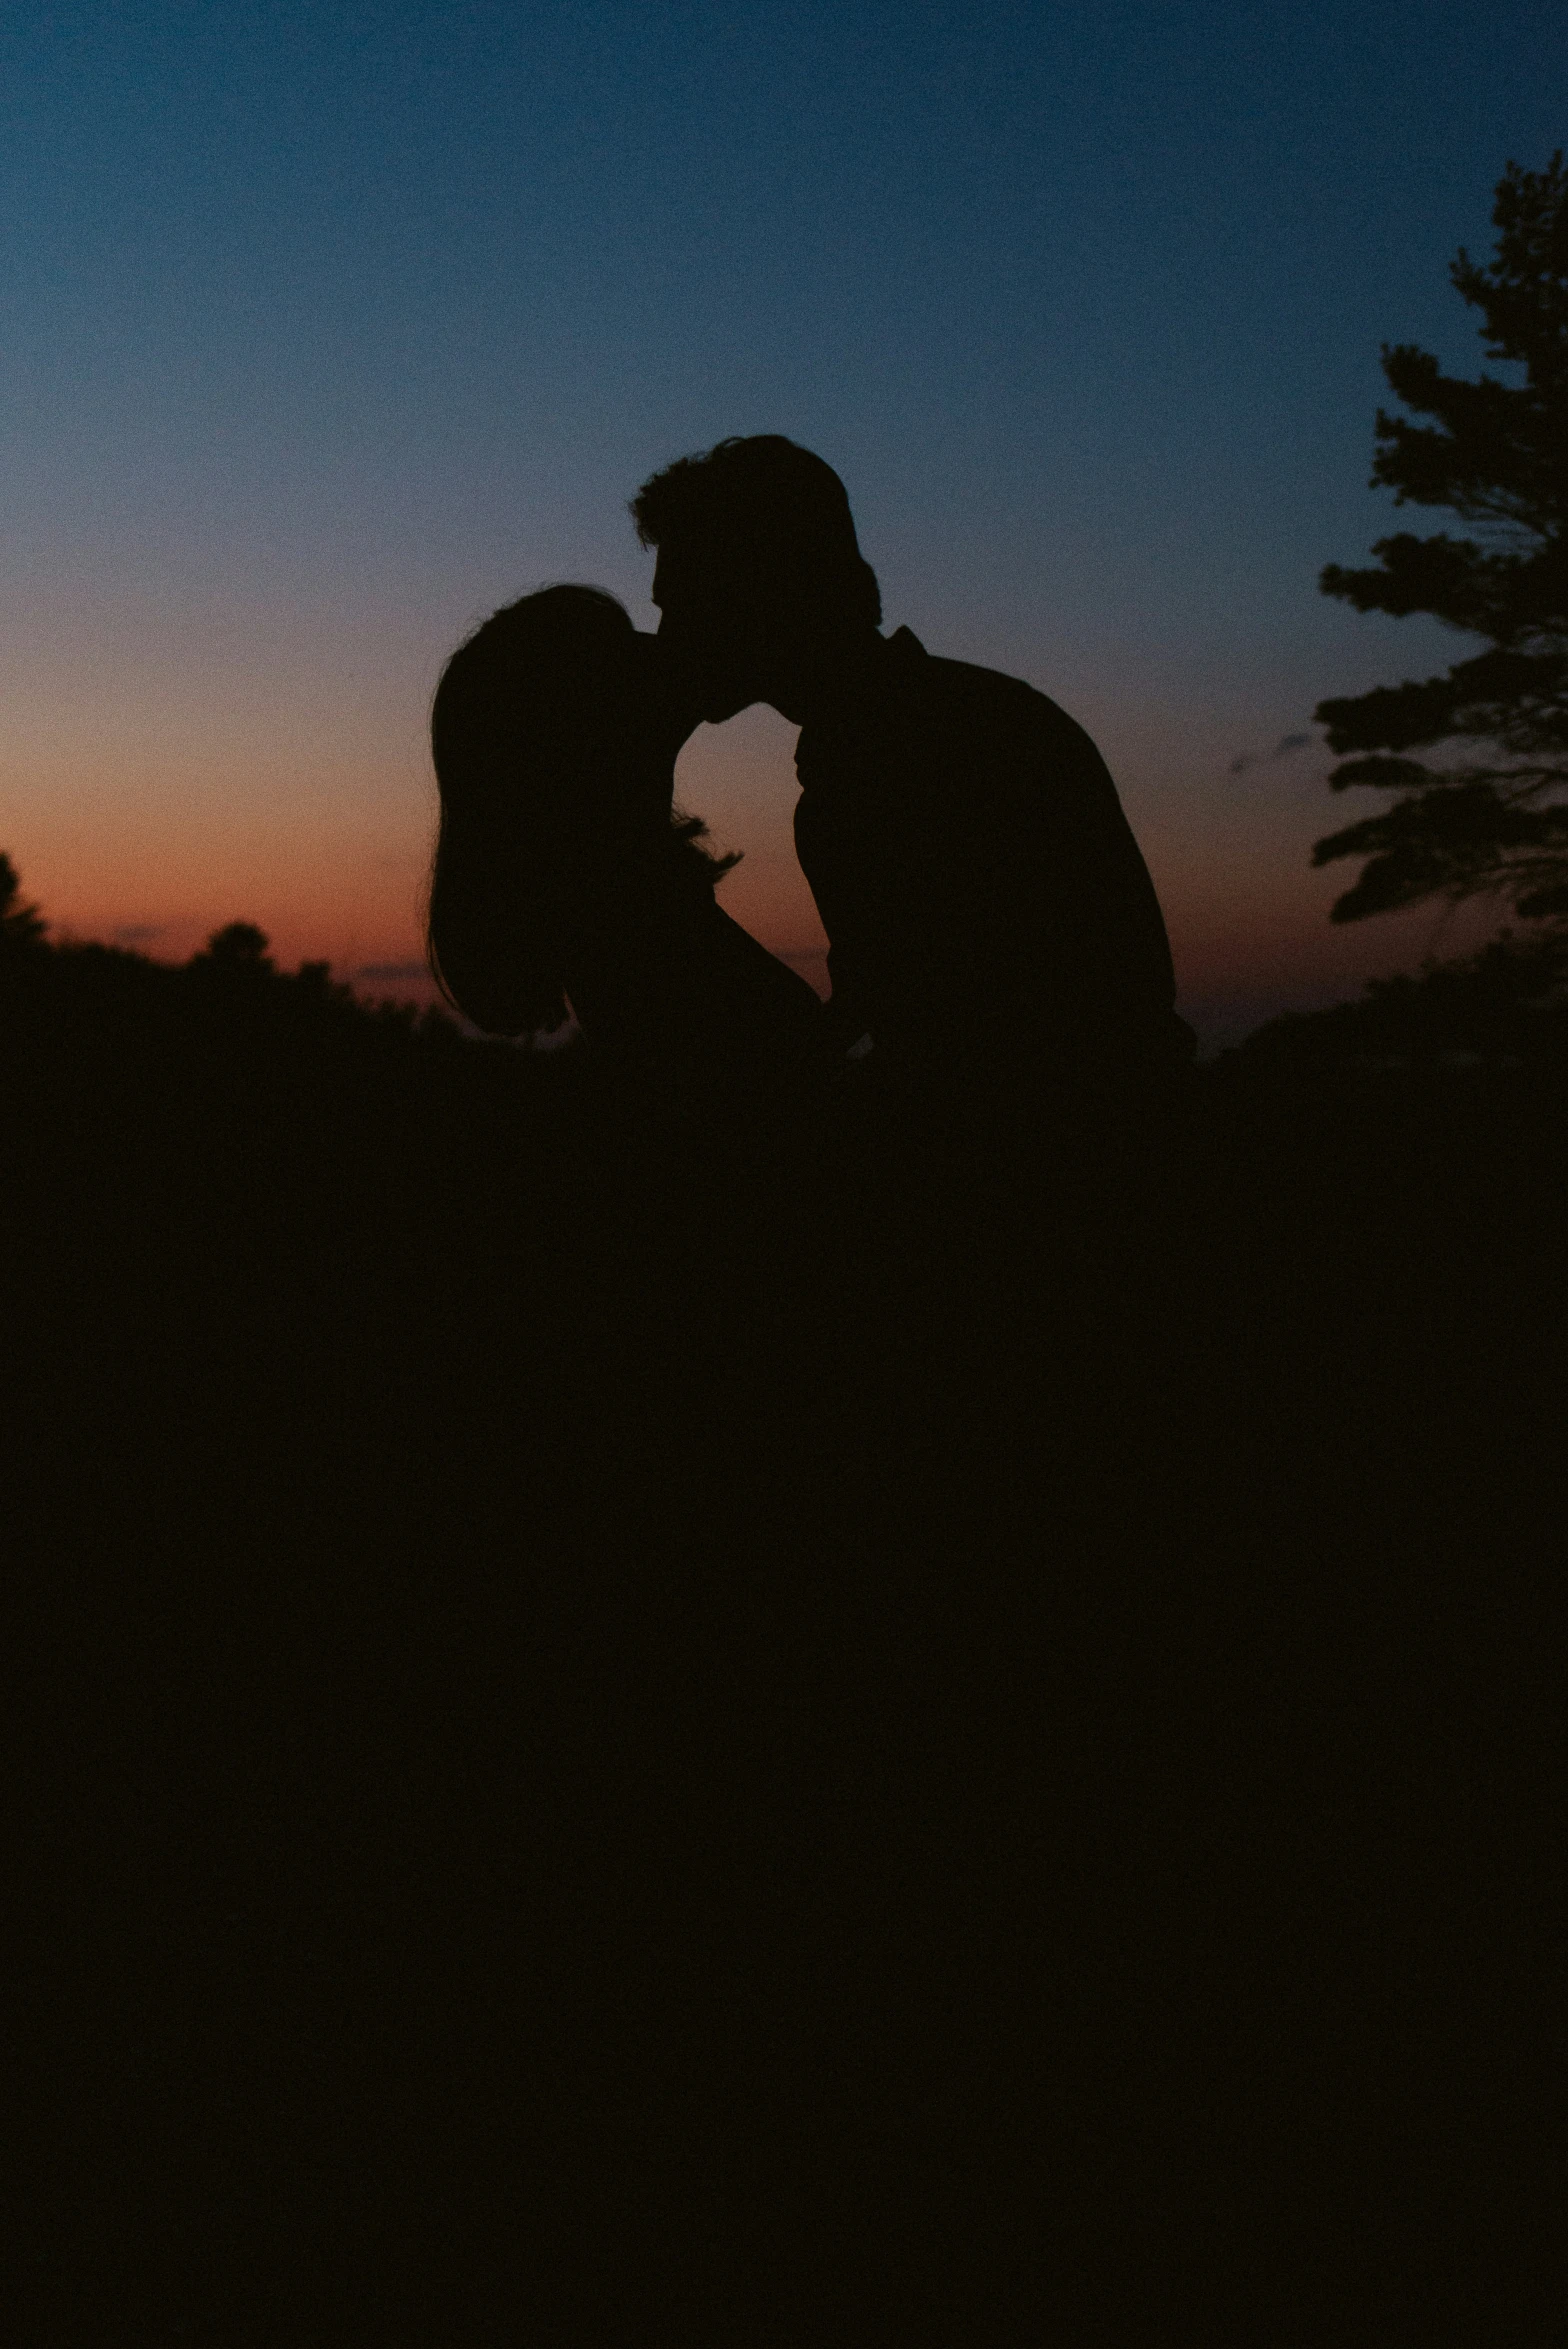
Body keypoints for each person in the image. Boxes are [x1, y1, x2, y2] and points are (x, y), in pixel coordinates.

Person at [630, 436, 1196, 1147]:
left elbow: (974, 1060)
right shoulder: (934, 731)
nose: (666, 636)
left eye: (682, 604)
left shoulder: (918, 760)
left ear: (762, 590)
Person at [425, 584, 824, 1092]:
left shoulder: (626, 922)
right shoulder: (636, 946)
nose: (657, 646)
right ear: (575, 728)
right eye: (618, 654)